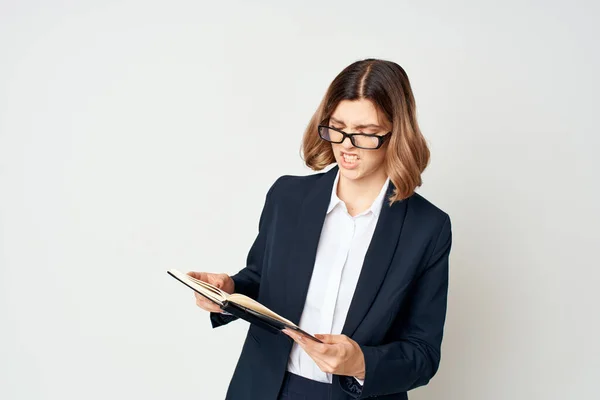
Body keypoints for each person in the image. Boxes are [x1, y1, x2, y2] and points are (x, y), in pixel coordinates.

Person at [188, 58, 452, 400]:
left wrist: (361, 362)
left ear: (397, 133)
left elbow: (423, 353)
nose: (346, 145)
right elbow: (261, 281)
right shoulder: (287, 196)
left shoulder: (427, 227)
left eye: (367, 134)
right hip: (265, 388)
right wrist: (228, 291)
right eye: (337, 127)